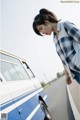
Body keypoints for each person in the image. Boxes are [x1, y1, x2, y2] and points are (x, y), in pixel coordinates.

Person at [32, 8, 80, 85]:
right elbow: (63, 59)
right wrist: (67, 75)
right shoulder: (54, 39)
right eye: (40, 32)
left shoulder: (65, 26)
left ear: (46, 22)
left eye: (41, 28)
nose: (43, 32)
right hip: (76, 74)